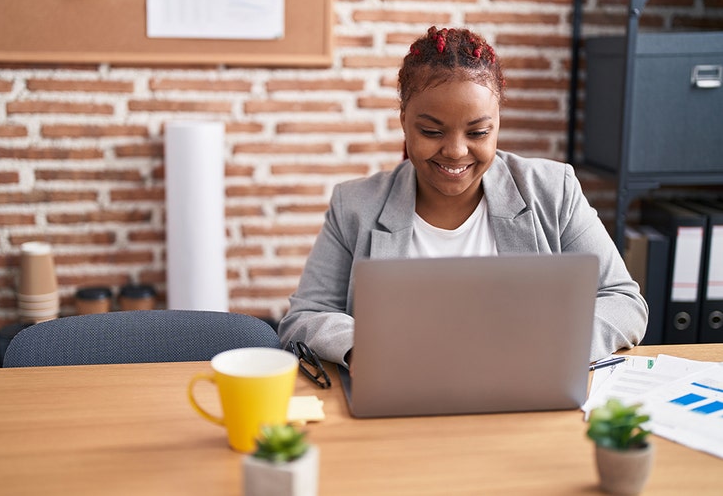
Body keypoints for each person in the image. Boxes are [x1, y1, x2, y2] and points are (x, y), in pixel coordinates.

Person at [278, 26, 648, 366]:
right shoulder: (355, 206)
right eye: (431, 131)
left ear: (498, 122)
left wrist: (557, 345)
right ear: (404, 119)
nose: (455, 151)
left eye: (478, 133)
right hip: (403, 399)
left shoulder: (553, 190)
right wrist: (366, 350)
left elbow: (623, 301)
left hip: (524, 394)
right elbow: (305, 316)